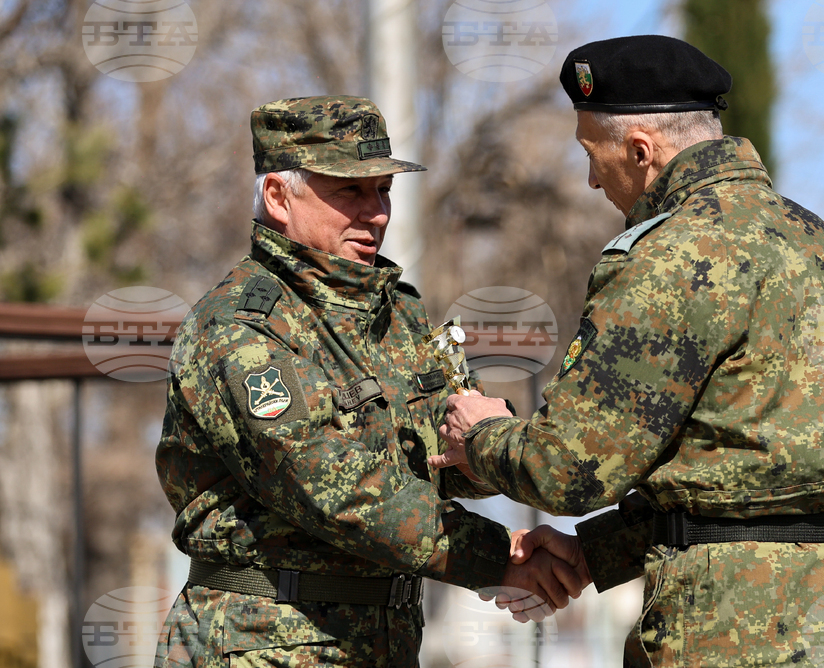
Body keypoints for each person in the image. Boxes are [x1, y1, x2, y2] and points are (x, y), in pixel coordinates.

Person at [431, 36, 824, 667]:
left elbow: (569, 469)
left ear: (639, 150)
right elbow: (758, 474)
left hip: (736, 628)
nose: (591, 177)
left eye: (590, 152)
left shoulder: (673, 257)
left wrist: (483, 434)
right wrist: (598, 553)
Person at [153, 95, 589, 668]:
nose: (377, 212)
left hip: (383, 639)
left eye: (383, 189)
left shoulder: (395, 316)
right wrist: (497, 557)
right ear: (279, 197)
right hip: (264, 642)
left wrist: (493, 444)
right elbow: (333, 486)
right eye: (351, 192)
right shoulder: (241, 327)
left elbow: (441, 456)